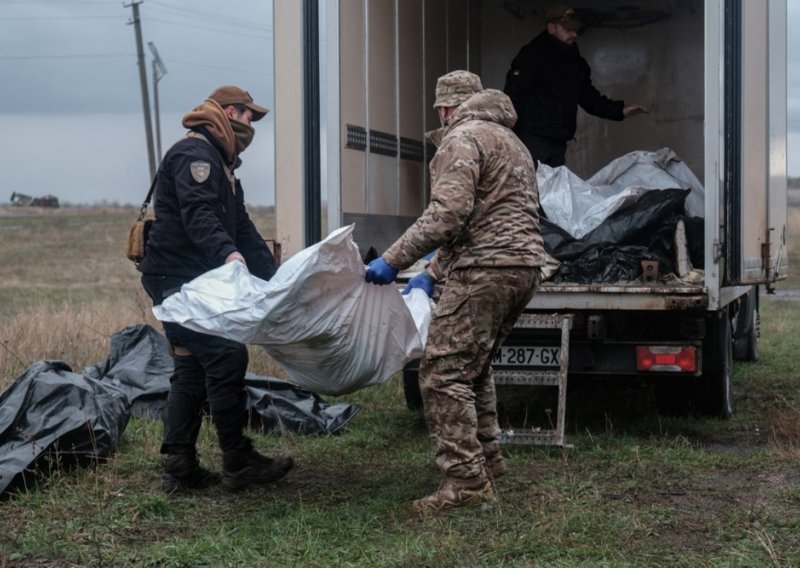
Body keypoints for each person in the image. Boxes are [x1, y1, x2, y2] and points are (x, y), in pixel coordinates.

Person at [365, 70, 544, 513]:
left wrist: (393, 260)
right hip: (523, 267)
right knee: (474, 367)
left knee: (442, 372)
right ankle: (488, 458)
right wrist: (433, 268)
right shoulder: (510, 141)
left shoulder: (461, 138)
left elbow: (448, 214)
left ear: (445, 108)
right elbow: (487, 215)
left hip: (484, 269)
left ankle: (466, 483)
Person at [138, 86, 293, 492]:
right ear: (228, 112)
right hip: (174, 279)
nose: (250, 126)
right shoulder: (196, 155)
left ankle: (180, 467)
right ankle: (238, 460)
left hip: (189, 277)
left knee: (191, 366)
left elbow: (240, 225)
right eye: (247, 116)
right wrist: (227, 254)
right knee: (226, 354)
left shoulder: (222, 161)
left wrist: (276, 277)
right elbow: (199, 213)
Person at [503, 4, 648, 167]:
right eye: (568, 29)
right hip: (531, 142)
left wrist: (620, 111)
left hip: (558, 145)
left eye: (576, 29)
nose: (574, 34)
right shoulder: (532, 56)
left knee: (557, 191)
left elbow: (589, 98)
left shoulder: (574, 62)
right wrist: (509, 137)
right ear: (551, 28)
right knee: (532, 191)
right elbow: (513, 97)